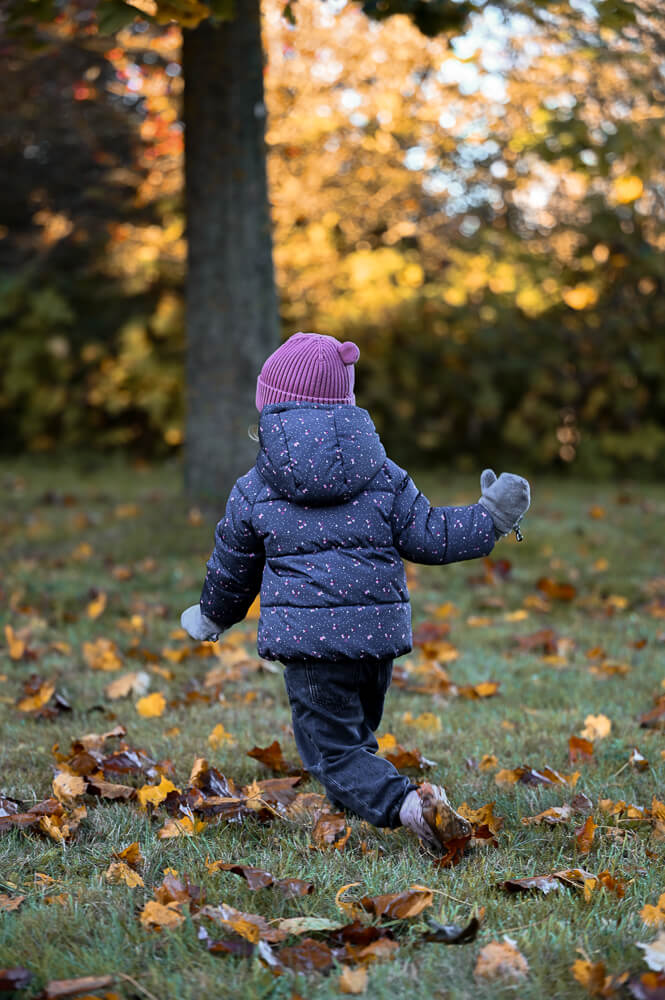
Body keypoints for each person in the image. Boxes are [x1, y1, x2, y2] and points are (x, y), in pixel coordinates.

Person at [181, 332, 530, 853]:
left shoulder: (255, 487)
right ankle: (359, 799)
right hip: (376, 643)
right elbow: (431, 535)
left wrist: (211, 617)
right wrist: (489, 518)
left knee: (333, 754)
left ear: (272, 408)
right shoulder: (384, 476)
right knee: (354, 735)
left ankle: (410, 807)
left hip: (311, 649)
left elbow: (234, 570)